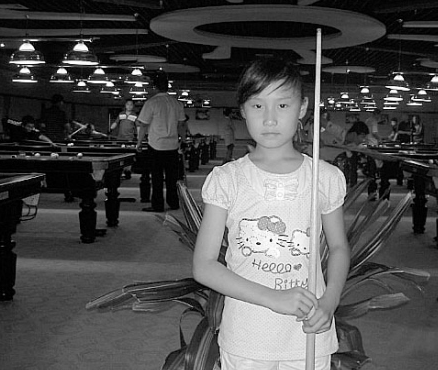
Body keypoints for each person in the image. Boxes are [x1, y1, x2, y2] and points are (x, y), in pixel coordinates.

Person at [192, 58, 350, 370]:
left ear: (302, 108)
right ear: (243, 110)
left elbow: (339, 247)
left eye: (282, 105)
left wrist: (329, 302)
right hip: (246, 337)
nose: (269, 119)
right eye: (257, 105)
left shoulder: (325, 177)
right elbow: (204, 266)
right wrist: (273, 298)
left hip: (309, 334)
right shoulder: (228, 179)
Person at [137, 71, 185, 212]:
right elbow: (182, 124)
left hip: (156, 146)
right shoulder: (176, 103)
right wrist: (182, 141)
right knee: (172, 178)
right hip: (172, 146)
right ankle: (173, 203)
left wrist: (139, 142)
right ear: (168, 87)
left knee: (157, 178)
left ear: (155, 87)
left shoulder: (151, 103)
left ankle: (157, 205)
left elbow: (143, 125)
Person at [110, 99, 138, 179]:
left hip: (129, 139)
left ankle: (127, 171)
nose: (129, 106)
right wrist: (111, 128)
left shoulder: (134, 115)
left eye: (131, 105)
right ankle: (119, 171)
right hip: (120, 138)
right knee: (120, 155)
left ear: (133, 106)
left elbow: (138, 126)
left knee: (128, 156)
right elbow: (116, 122)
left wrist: (139, 136)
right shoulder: (121, 114)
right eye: (127, 104)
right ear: (125, 105)